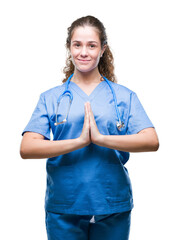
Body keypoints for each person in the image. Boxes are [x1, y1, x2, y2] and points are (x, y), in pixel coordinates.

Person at [20, 15, 159, 240]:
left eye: (91, 45)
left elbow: (151, 141)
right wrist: (79, 142)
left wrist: (100, 138)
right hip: (65, 205)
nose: (84, 52)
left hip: (111, 203)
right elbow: (27, 147)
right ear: (69, 47)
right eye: (77, 45)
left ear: (103, 49)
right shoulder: (51, 97)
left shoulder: (124, 96)